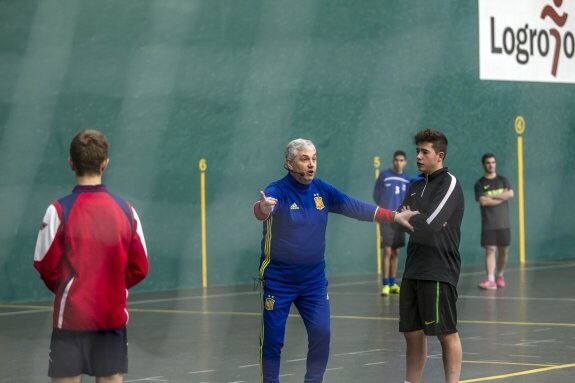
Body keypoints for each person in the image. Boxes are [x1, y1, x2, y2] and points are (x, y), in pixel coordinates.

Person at [253, 138, 417, 383]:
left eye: (314, 158)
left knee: (322, 335)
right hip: (278, 281)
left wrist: (393, 216)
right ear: (289, 163)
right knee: (273, 341)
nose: (311, 164)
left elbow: (354, 206)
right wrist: (263, 208)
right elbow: (263, 209)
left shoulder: (322, 190)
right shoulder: (278, 190)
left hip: (314, 283)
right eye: (304, 159)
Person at [33, 129, 149, 383]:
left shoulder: (57, 211)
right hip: (111, 319)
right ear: (105, 163)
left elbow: (45, 266)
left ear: (71, 163)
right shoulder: (126, 211)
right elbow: (140, 267)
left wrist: (71, 289)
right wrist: (111, 286)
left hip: (71, 320)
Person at [397, 129, 464, 383]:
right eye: (417, 151)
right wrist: (417, 218)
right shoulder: (414, 186)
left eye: (425, 152)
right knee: (412, 333)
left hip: (439, 270)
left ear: (440, 155)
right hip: (413, 269)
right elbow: (397, 219)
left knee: (446, 332)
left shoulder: (449, 184)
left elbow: (432, 223)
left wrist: (413, 217)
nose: (418, 156)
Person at [373, 150, 410, 296]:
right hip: (386, 218)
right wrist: (385, 210)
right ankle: (385, 284)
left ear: (405, 162)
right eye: (396, 160)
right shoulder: (384, 175)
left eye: (401, 160)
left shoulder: (407, 179)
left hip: (400, 219)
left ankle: (393, 282)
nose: (398, 162)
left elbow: (408, 198)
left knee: (396, 251)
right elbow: (376, 195)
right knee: (387, 250)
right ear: (393, 161)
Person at [474, 153, 514, 290]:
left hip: (504, 224)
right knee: (490, 250)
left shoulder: (503, 180)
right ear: (484, 164)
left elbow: (511, 194)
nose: (490, 165)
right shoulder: (480, 184)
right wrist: (502, 197)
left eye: (493, 162)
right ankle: (491, 280)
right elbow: (483, 201)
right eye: (488, 163)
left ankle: (500, 275)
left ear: (495, 164)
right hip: (488, 224)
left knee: (504, 251)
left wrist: (493, 197)